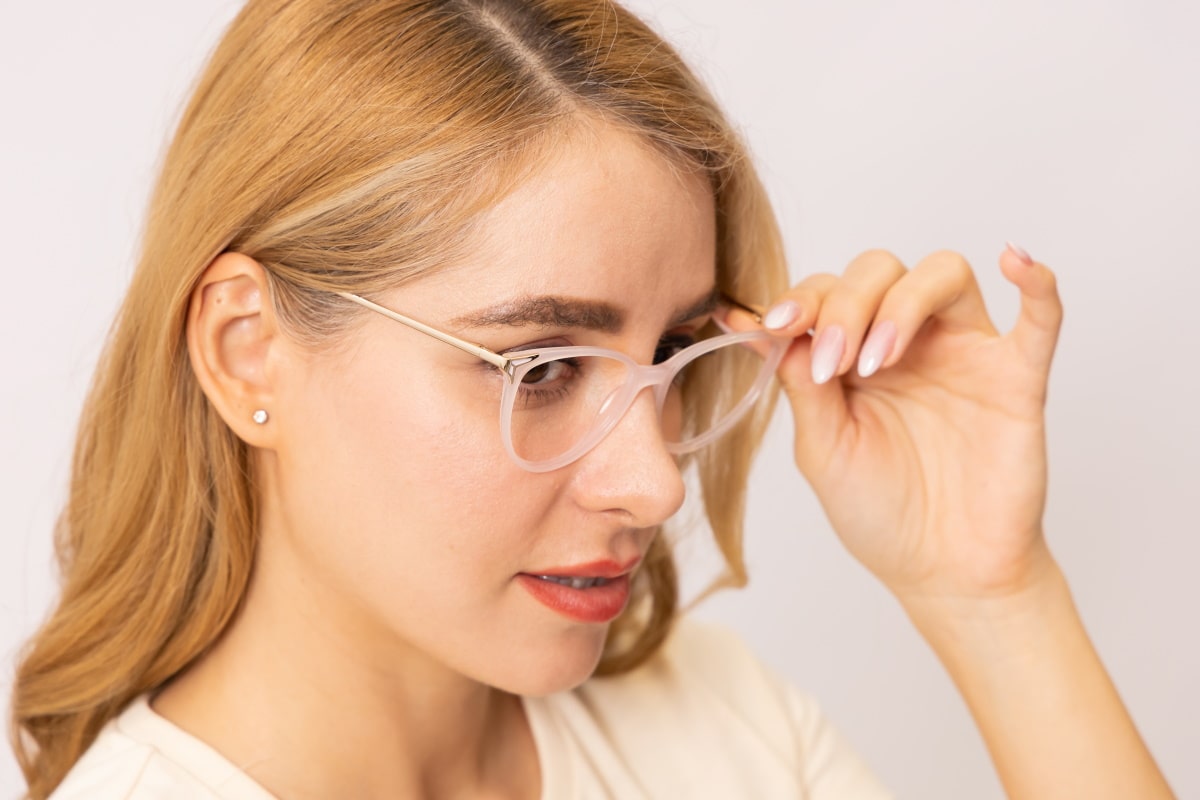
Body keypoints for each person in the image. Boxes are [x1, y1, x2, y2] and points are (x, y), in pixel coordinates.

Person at [8, 0, 1174, 798]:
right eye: (544, 368)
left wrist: (990, 593)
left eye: (671, 349)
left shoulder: (721, 724)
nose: (658, 478)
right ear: (248, 350)